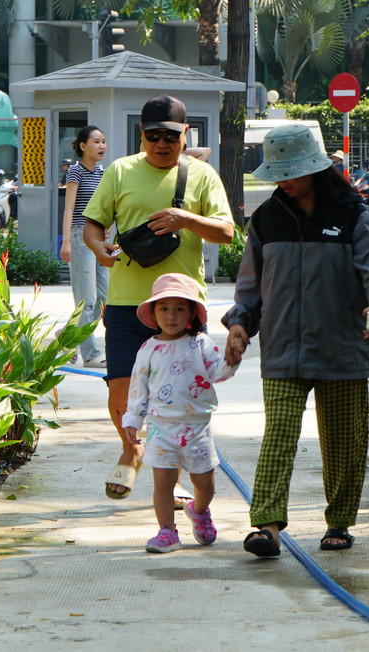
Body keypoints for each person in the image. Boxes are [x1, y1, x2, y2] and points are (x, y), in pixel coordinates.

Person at [222, 123, 369, 557]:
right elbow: (251, 281)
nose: (285, 180)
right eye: (279, 171)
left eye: (294, 170)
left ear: (317, 168)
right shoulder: (266, 219)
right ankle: (266, 526)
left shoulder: (355, 215)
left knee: (344, 439)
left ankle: (338, 522)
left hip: (342, 340)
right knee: (279, 432)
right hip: (284, 345)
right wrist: (240, 322)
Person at [82, 94, 235, 500]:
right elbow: (93, 226)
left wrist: (185, 218)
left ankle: (175, 473)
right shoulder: (119, 171)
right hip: (126, 300)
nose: (161, 144)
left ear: (185, 135)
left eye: (170, 136)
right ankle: (132, 450)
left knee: (181, 397)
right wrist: (99, 250)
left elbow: (227, 231)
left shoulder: (202, 175)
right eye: (153, 136)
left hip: (182, 307)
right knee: (120, 388)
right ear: (141, 135)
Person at [121, 273, 238, 552]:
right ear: (153, 312)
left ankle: (199, 510)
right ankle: (167, 531)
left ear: (191, 314)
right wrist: (133, 420)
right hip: (161, 427)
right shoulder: (148, 349)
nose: (171, 316)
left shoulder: (200, 344)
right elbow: (139, 388)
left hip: (197, 428)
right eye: (163, 308)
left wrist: (231, 359)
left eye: (179, 308)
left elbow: (217, 372)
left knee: (204, 482)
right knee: (163, 480)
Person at [60, 125, 109, 367]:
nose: (102, 146)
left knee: (104, 299)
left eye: (103, 141)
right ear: (83, 146)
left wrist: (107, 225)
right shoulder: (75, 173)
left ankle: (65, 337)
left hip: (99, 239)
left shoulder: (102, 173)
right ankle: (89, 353)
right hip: (80, 238)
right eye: (97, 141)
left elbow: (105, 205)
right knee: (86, 300)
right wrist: (66, 241)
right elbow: (69, 208)